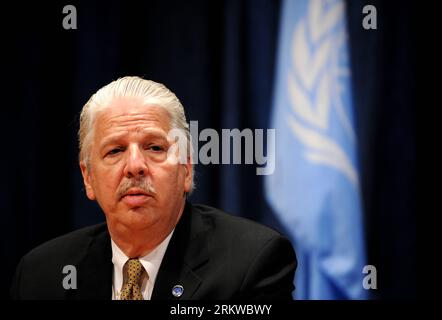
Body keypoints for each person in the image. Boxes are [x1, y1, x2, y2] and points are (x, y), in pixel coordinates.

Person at [10, 76, 297, 300]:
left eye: (155, 147)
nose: (135, 165)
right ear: (88, 177)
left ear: (186, 168)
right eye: (115, 151)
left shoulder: (252, 263)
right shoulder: (41, 275)